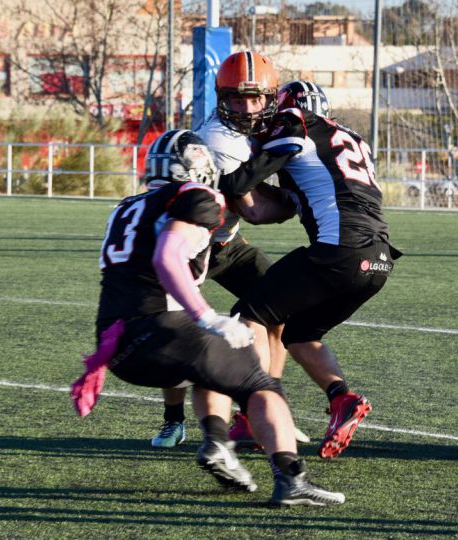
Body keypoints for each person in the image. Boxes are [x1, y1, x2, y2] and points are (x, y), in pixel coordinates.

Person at [71, 129, 344, 507]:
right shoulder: (196, 195)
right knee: (261, 384)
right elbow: (167, 257)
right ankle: (291, 478)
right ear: (200, 167)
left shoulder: (127, 206)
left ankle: (217, 444)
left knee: (210, 369)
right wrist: (205, 316)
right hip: (163, 330)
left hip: (116, 346)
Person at [218, 52, 402, 459]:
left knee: (250, 314)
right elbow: (286, 200)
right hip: (379, 260)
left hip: (340, 249)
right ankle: (342, 398)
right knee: (299, 333)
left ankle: (253, 413)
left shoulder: (295, 123)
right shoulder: (351, 140)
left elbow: (240, 182)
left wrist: (210, 171)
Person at [151, 81, 325, 450]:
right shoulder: (220, 138)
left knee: (279, 312)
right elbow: (255, 210)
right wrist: (295, 201)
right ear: (224, 100)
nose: (247, 108)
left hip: (227, 244)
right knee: (176, 329)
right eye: (238, 99)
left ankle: (268, 408)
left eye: (254, 99)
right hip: (190, 245)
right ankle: (173, 421)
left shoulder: (256, 129)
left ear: (268, 100)